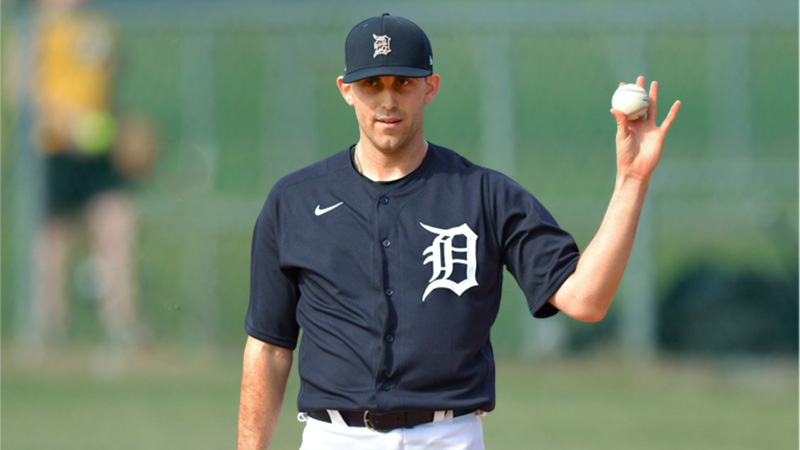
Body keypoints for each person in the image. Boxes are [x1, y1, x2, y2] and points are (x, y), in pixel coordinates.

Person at [238, 13, 680, 450]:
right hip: (333, 438)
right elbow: (269, 348)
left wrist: (632, 181)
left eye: (403, 83)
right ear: (347, 90)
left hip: (449, 438)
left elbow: (586, 299)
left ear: (430, 87)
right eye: (372, 85)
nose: (388, 101)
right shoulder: (294, 200)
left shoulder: (485, 195)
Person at [27, 0, 143, 357]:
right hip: (51, 148)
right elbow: (25, 93)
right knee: (53, 238)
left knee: (118, 222)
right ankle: (50, 325)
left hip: (96, 150)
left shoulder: (97, 28)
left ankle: (121, 322)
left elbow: (107, 86)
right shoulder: (30, 32)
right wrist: (70, 123)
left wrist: (119, 128)